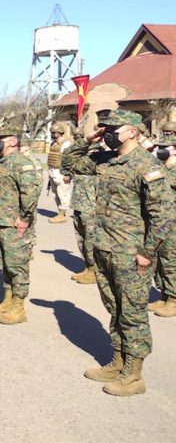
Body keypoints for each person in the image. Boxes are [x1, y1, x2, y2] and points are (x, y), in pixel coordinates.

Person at [64, 109, 173, 396]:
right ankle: (119, 361)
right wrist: (88, 139)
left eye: (115, 128)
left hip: (130, 253)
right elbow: (71, 162)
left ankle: (134, 376)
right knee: (115, 309)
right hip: (103, 248)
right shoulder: (105, 160)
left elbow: (163, 216)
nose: (109, 133)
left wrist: (147, 253)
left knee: (133, 313)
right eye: (106, 128)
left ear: (134, 131)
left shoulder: (147, 166)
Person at [0, 124, 41, 325]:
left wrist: (25, 218)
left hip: (14, 223)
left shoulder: (22, 162)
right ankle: (7, 300)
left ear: (13, 141)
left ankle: (19, 306)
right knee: (4, 262)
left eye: (1, 137)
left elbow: (30, 192)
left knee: (17, 264)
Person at [61, 125, 98, 284]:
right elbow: (67, 159)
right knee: (81, 237)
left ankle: (95, 269)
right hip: (80, 202)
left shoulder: (100, 156)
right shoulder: (84, 154)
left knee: (91, 239)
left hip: (92, 205)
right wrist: (86, 141)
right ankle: (88, 267)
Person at [148, 133, 176, 317]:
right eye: (160, 147)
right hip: (159, 221)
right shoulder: (159, 167)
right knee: (159, 260)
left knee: (171, 260)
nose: (162, 151)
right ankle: (164, 295)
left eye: (167, 148)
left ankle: (174, 299)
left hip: (173, 222)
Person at [46, 122, 74, 223]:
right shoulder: (53, 144)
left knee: (63, 193)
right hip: (52, 171)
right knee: (55, 194)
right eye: (52, 133)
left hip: (61, 172)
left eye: (54, 133)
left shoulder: (66, 144)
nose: (53, 135)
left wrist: (68, 174)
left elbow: (69, 160)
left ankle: (61, 215)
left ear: (60, 133)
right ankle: (61, 213)